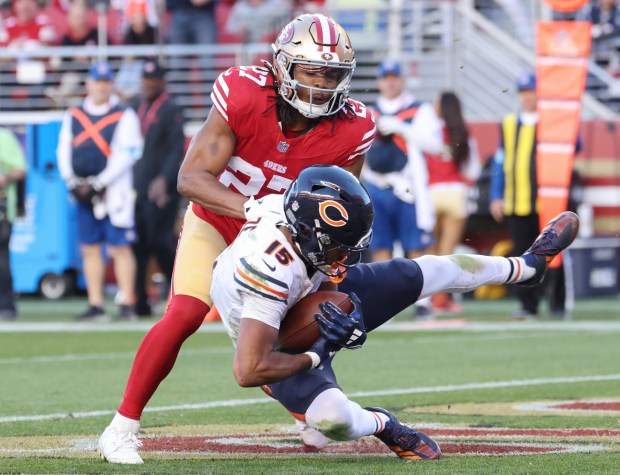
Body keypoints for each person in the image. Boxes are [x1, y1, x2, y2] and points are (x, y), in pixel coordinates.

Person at [97, 13, 376, 464]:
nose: (322, 85)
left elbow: (341, 208)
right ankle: (122, 426)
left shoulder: (353, 127)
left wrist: (332, 272)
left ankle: (308, 409)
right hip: (220, 222)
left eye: (332, 74)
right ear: (283, 66)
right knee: (186, 312)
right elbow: (190, 178)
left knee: (304, 325)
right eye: (311, 71)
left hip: (283, 245)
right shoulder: (244, 92)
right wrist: (250, 207)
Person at [56, 62, 144, 321]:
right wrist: (71, 180)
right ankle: (95, 303)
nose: (102, 86)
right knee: (89, 247)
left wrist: (101, 182)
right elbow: (63, 150)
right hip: (82, 189)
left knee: (120, 246)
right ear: (89, 84)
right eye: (98, 81)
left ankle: (127, 301)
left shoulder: (123, 114)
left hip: (113, 192)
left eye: (106, 82)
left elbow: (127, 153)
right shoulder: (74, 115)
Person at [489, 72, 580, 320]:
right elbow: (501, 161)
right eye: (523, 92)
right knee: (522, 254)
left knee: (555, 253)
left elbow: (575, 145)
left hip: (548, 201)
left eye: (531, 91)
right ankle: (528, 305)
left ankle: (558, 303)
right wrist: (496, 195)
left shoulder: (553, 123)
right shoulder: (509, 123)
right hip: (517, 201)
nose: (527, 97)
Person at [361, 59, 442, 318]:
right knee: (380, 245)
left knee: (416, 245)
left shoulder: (419, 109)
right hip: (376, 185)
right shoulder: (367, 111)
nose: (390, 82)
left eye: (395, 76)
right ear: (379, 81)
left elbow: (434, 145)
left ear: (402, 79)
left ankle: (423, 301)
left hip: (407, 186)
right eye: (386, 77)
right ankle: (384, 299)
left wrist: (402, 128)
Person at [132, 58, 185, 317]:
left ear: (162, 82)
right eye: (145, 79)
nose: (148, 84)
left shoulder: (171, 108)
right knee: (139, 245)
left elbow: (177, 149)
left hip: (162, 190)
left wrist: (165, 179)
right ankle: (139, 300)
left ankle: (177, 291)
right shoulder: (135, 105)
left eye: (153, 80)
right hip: (139, 187)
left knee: (161, 240)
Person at [425, 91, 481, 314]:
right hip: (456, 193)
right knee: (448, 251)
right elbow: (473, 169)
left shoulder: (430, 130)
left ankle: (427, 298)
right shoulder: (463, 131)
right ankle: (442, 299)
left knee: (430, 249)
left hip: (431, 192)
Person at [0, 126, 27, 321]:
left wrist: (5, 177)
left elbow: (20, 169)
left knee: (1, 259)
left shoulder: (4, 137)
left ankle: (5, 304)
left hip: (1, 209)